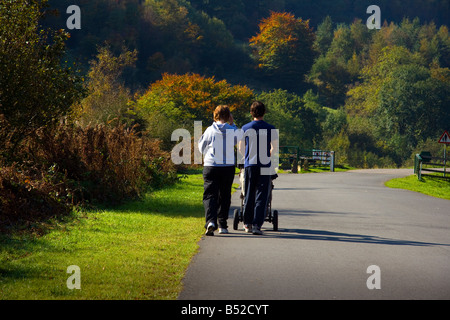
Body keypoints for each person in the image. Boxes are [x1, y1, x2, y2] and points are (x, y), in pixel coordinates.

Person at [198, 105, 240, 236]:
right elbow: (238, 139)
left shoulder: (209, 130)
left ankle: (210, 221)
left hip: (211, 165)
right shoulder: (232, 130)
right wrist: (232, 123)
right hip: (227, 167)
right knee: (225, 194)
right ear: (228, 116)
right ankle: (222, 224)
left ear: (215, 115)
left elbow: (201, 148)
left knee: (210, 195)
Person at [239, 101, 278, 235]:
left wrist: (247, 155)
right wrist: (268, 156)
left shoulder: (245, 128)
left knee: (249, 193)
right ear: (264, 112)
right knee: (262, 195)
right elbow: (274, 148)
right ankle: (257, 224)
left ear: (251, 112)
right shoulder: (271, 128)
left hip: (251, 164)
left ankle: (247, 223)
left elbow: (240, 147)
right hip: (265, 164)